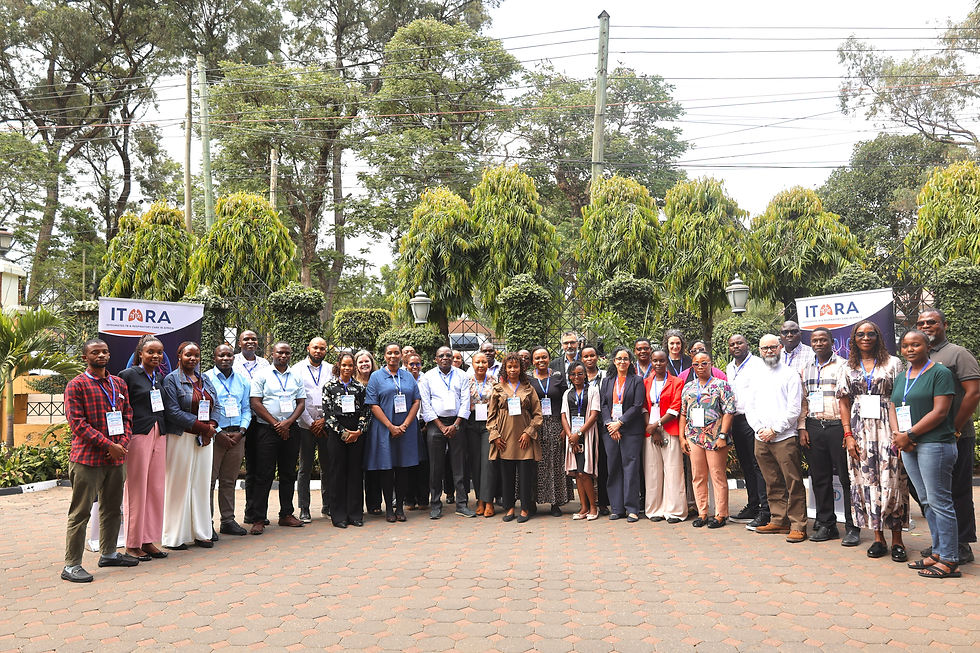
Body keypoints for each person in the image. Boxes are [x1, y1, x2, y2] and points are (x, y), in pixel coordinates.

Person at [62, 339, 137, 582]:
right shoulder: (77, 385)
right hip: (87, 459)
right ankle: (71, 565)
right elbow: (77, 424)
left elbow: (127, 416)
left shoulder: (119, 384)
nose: (102, 355)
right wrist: (109, 446)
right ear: (85, 357)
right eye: (96, 352)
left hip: (116, 459)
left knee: (113, 508)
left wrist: (122, 445)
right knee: (81, 512)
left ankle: (109, 553)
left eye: (105, 351)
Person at [890, 330, 960, 578]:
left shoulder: (940, 373)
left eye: (916, 345)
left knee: (940, 502)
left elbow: (940, 412)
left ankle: (951, 559)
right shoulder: (902, 377)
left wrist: (909, 435)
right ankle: (939, 552)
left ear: (927, 346)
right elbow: (893, 405)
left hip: (935, 444)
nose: (910, 349)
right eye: (906, 345)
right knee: (927, 502)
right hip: (909, 446)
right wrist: (899, 436)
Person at [836, 320, 909, 560]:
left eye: (870, 334)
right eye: (860, 334)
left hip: (889, 426)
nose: (865, 337)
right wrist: (847, 435)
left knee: (894, 481)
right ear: (854, 340)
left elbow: (901, 398)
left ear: (878, 336)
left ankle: (897, 540)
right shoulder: (848, 367)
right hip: (860, 431)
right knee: (866, 483)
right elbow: (844, 402)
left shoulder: (893, 363)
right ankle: (878, 538)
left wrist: (902, 433)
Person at [917, 309, 980, 564]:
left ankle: (961, 544)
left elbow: (973, 393)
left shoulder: (957, 354)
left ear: (944, 324)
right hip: (926, 438)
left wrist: (954, 427)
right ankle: (943, 541)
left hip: (956, 435)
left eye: (931, 322)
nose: (925, 326)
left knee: (958, 491)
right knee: (931, 493)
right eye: (920, 323)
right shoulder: (920, 355)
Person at [798, 328, 859, 546]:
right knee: (820, 477)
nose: (819, 343)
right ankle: (827, 524)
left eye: (823, 339)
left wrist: (848, 430)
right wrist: (802, 427)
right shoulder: (806, 369)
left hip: (838, 427)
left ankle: (853, 526)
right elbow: (804, 401)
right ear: (811, 343)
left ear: (832, 342)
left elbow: (850, 400)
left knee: (846, 478)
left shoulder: (844, 366)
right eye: (815, 340)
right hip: (814, 426)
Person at [745, 335, 807, 543]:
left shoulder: (790, 374)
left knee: (793, 481)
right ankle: (779, 520)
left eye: (773, 347)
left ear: (780, 348)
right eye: (765, 348)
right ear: (759, 350)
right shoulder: (755, 375)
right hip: (761, 437)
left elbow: (794, 409)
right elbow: (749, 407)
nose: (769, 351)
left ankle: (798, 524)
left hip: (784, 437)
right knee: (771, 481)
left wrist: (775, 429)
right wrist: (760, 429)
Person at [162, 341, 218, 550]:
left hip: (205, 438)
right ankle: (175, 537)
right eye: (188, 355)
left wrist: (211, 425)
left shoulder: (206, 380)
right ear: (179, 356)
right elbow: (172, 412)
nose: (193, 359)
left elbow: (217, 404)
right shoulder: (171, 381)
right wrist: (201, 427)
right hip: (182, 437)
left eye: (196, 355)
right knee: (179, 486)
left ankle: (201, 533)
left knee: (201, 485)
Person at [247, 342, 307, 534]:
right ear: (272, 353)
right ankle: (258, 518)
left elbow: (301, 403)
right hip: (267, 430)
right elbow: (255, 402)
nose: (283, 355)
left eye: (287, 353)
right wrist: (276, 424)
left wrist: (287, 423)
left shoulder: (296, 376)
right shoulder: (262, 374)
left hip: (290, 429)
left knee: (288, 473)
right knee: (263, 474)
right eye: (280, 352)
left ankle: (286, 514)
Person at [118, 336, 168, 561]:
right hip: (138, 435)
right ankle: (132, 543)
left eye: (159, 352)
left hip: (159, 434)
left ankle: (148, 540)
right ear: (140, 354)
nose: (156, 356)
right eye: (151, 352)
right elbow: (120, 408)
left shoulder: (159, 377)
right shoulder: (127, 376)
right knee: (136, 489)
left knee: (155, 488)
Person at [365, 343, 422, 523]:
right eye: (389, 353)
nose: (393, 356)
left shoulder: (407, 376)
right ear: (384, 356)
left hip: (406, 430)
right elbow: (373, 404)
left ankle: (399, 508)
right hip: (384, 430)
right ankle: (389, 507)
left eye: (396, 353)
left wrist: (404, 425)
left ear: (401, 356)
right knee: (387, 469)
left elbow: (416, 400)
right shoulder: (376, 377)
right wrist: (390, 426)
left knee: (403, 468)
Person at [679, 352, 735, 529]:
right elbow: (682, 413)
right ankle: (703, 512)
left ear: (711, 364)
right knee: (698, 476)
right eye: (696, 364)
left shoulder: (721, 386)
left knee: (717, 475)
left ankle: (721, 514)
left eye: (704, 363)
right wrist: (682, 437)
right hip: (694, 436)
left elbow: (729, 412)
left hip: (715, 437)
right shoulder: (688, 387)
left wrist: (722, 436)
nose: (700, 367)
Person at [419, 346, 476, 519]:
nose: (445, 358)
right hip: (436, 424)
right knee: (436, 467)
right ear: (435, 359)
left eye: (448, 355)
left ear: (453, 358)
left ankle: (462, 504)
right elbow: (425, 403)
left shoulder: (462, 375)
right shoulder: (427, 377)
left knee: (458, 465)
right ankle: (436, 504)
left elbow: (466, 401)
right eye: (441, 356)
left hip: (457, 423)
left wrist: (457, 423)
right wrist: (440, 426)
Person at [487, 352, 543, 523]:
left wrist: (529, 432)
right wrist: (495, 435)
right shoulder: (497, 388)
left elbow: (538, 415)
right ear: (505, 368)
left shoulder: (529, 388)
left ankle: (525, 508)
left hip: (524, 438)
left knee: (526, 476)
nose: (512, 369)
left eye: (516, 366)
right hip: (504, 439)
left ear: (521, 368)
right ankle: (509, 507)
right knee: (507, 475)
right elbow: (491, 416)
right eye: (509, 366)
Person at [204, 343, 252, 538]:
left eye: (229, 355)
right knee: (209, 481)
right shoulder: (206, 379)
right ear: (214, 358)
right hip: (215, 436)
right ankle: (207, 523)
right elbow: (203, 408)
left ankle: (228, 520)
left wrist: (242, 431)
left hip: (237, 436)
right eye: (221, 356)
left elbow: (247, 408)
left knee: (229, 481)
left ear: (234, 357)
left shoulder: (242, 380)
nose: (225, 359)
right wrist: (217, 433)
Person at [725, 334, 771, 530]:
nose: (736, 346)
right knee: (745, 464)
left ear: (747, 345)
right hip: (735, 420)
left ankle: (765, 510)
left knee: (758, 464)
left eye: (739, 343)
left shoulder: (758, 365)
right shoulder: (729, 367)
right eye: (732, 344)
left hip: (753, 420)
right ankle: (753, 505)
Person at [322, 352, 372, 528]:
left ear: (354, 368)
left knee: (355, 474)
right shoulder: (329, 387)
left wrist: (358, 431)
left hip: (357, 434)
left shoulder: (359, 388)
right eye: (344, 365)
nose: (347, 368)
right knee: (337, 474)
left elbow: (366, 411)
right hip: (337, 434)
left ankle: (355, 514)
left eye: (350, 365)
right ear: (338, 366)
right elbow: (327, 414)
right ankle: (339, 516)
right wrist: (344, 433)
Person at [600, 347, 646, 522]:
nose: (622, 362)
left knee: (631, 468)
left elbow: (637, 405)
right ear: (614, 361)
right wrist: (610, 424)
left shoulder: (637, 380)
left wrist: (620, 423)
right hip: (610, 430)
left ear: (630, 362)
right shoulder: (607, 381)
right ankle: (617, 508)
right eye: (619, 359)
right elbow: (603, 404)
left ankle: (632, 508)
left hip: (630, 430)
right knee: (613, 468)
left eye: (625, 359)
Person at [642, 350, 685, 523]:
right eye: (655, 361)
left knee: (673, 470)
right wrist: (652, 429)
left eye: (661, 361)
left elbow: (675, 407)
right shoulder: (645, 382)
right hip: (650, 431)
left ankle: (674, 511)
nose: (658, 364)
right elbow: (643, 407)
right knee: (652, 471)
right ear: (651, 362)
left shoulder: (677, 382)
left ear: (667, 362)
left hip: (669, 428)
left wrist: (657, 426)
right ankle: (654, 510)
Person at [294, 337, 333, 523]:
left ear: (326, 350)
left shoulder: (331, 369)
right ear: (308, 348)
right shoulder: (297, 369)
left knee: (328, 466)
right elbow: (297, 399)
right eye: (315, 347)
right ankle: (304, 509)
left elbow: (335, 397)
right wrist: (311, 423)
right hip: (305, 426)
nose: (318, 351)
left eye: (322, 348)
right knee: (305, 467)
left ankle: (328, 506)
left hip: (326, 426)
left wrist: (324, 420)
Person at [234, 330, 269, 529]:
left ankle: (253, 512)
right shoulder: (233, 361)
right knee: (243, 466)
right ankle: (246, 512)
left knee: (257, 466)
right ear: (239, 343)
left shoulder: (264, 364)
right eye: (246, 339)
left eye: (254, 339)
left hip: (260, 420)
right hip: (238, 420)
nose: (250, 342)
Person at [531, 346, 570, 516]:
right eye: (537, 358)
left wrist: (564, 426)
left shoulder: (558, 377)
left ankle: (556, 502)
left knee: (555, 463)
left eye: (544, 357)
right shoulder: (528, 379)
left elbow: (565, 402)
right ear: (533, 361)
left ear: (549, 358)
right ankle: (532, 501)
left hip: (555, 424)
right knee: (535, 464)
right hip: (535, 425)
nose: (541, 361)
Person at [560, 361, 601, 520]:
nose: (576, 377)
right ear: (569, 376)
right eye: (573, 374)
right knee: (577, 473)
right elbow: (563, 415)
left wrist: (579, 433)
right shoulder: (567, 393)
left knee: (585, 472)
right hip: (572, 437)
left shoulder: (592, 390)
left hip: (587, 435)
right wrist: (571, 436)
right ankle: (583, 507)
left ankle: (593, 507)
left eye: (580, 374)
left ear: (585, 375)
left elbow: (594, 414)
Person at [354, 350, 384, 515]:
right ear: (356, 366)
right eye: (361, 362)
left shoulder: (378, 381)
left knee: (375, 467)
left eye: (367, 361)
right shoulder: (351, 383)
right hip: (357, 431)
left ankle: (374, 503)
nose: (364, 364)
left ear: (372, 363)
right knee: (358, 467)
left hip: (376, 429)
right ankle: (356, 505)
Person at [582, 344, 610, 515]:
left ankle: (603, 502)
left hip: (601, 425)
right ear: (582, 358)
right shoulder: (577, 376)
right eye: (586, 356)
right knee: (586, 465)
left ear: (597, 357)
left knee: (602, 464)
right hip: (584, 427)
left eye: (592, 355)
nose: (589, 359)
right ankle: (588, 502)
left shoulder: (605, 376)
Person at [468, 352, 497, 517]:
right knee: (476, 463)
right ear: (472, 364)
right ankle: (479, 499)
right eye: (477, 362)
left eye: (483, 362)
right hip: (471, 423)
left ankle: (489, 501)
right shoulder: (467, 381)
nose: (480, 365)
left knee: (488, 462)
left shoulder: (494, 381)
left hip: (489, 423)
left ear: (488, 364)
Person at [403, 352, 429, 512]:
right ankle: (409, 499)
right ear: (405, 365)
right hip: (407, 424)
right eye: (411, 364)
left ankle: (423, 499)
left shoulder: (426, 379)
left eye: (417, 364)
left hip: (424, 423)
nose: (414, 367)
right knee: (408, 463)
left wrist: (427, 424)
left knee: (423, 464)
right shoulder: (402, 379)